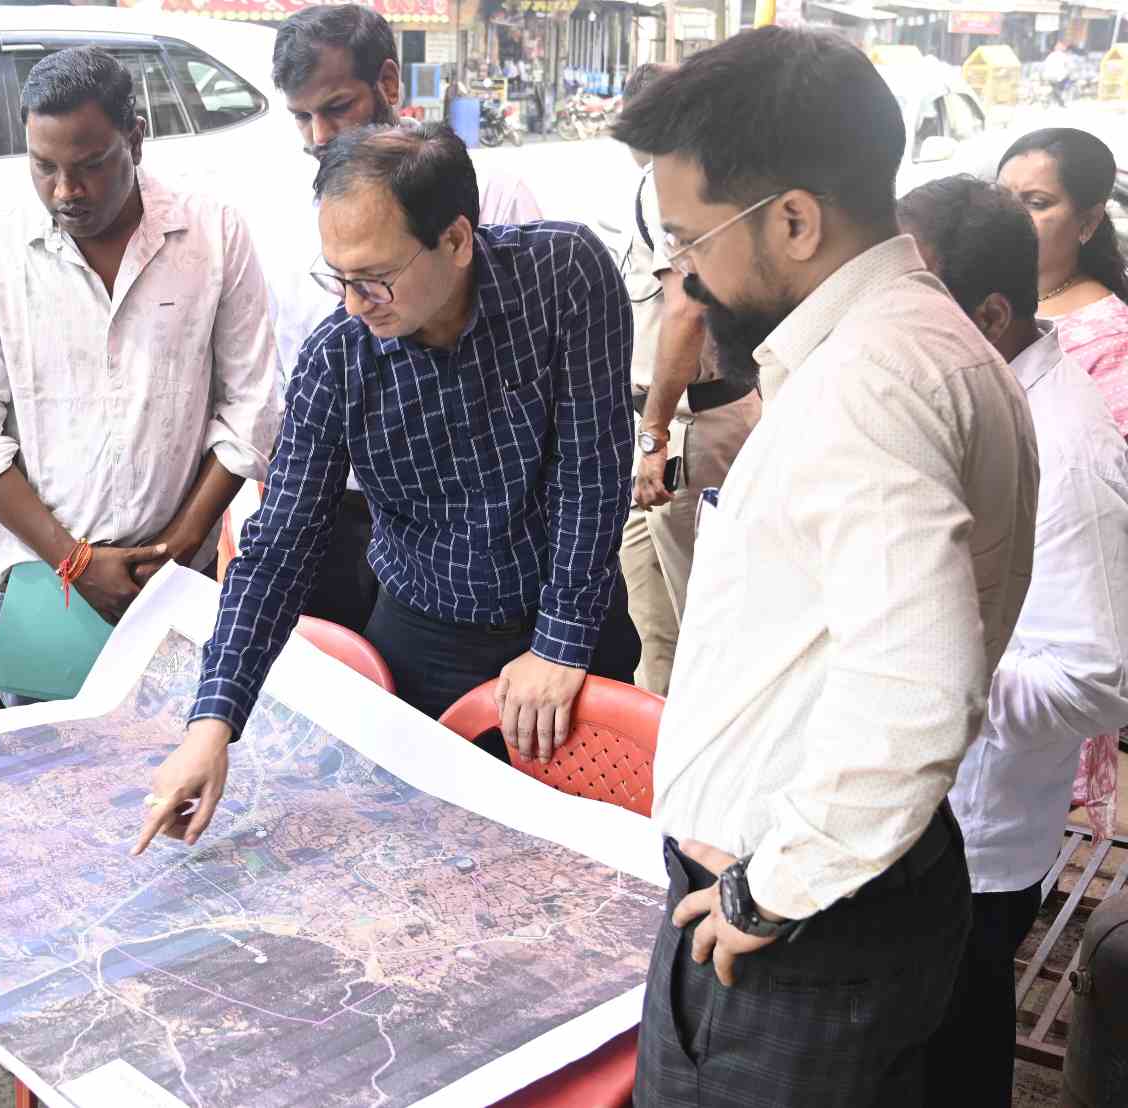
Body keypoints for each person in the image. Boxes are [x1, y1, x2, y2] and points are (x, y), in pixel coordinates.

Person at [613, 29, 1037, 1107]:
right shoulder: (916, 344)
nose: (683, 274)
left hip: (797, 930)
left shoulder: (869, 386)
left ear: (794, 219)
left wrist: (768, 891)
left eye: (692, 239)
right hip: (834, 892)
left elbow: (918, 685)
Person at [134, 123, 635, 855]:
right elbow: (278, 550)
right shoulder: (340, 359)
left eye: (373, 278)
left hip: (572, 617)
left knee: (588, 859)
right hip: (423, 638)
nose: (354, 304)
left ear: (455, 240)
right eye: (338, 278)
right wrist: (212, 725)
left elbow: (593, 469)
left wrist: (560, 645)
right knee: (430, 856)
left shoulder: (563, 276)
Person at [262, 5, 638, 681]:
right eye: (301, 117)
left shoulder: (514, 224)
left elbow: (585, 460)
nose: (320, 135)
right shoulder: (309, 253)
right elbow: (293, 426)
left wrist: (561, 637)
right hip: (383, 533)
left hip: (536, 564)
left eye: (337, 107)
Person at [0, 46, 281, 672]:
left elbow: (252, 405)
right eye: (44, 166)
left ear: (135, 140)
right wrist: (75, 562)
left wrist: (179, 546)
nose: (67, 191)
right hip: (40, 584)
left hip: (173, 577)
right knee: (46, 737)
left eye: (90, 165)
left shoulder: (214, 234)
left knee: (180, 732)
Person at [898, 174, 1128, 1108]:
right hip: (922, 810)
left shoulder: (1067, 450)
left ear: (990, 315)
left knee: (952, 1055)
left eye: (914, 307)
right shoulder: (972, 391)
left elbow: (1096, 679)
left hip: (974, 840)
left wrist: (925, 674)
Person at [615, 61, 760, 695]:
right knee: (653, 627)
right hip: (675, 421)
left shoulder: (670, 183)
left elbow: (687, 311)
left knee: (705, 632)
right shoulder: (695, 180)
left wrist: (653, 438)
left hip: (685, 426)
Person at [999, 126, 1128, 838]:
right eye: (1004, 199)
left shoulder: (1111, 340)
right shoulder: (989, 303)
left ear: (1087, 220)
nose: (1014, 217)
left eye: (1037, 202)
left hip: (1052, 607)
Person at [1043, 40, 1075, 107]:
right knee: (1068, 80)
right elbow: (1071, 67)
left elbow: (1044, 66)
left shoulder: (1050, 55)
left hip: (1048, 76)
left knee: (1055, 88)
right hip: (1059, 77)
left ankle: (1056, 99)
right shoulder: (1064, 56)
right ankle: (1061, 99)